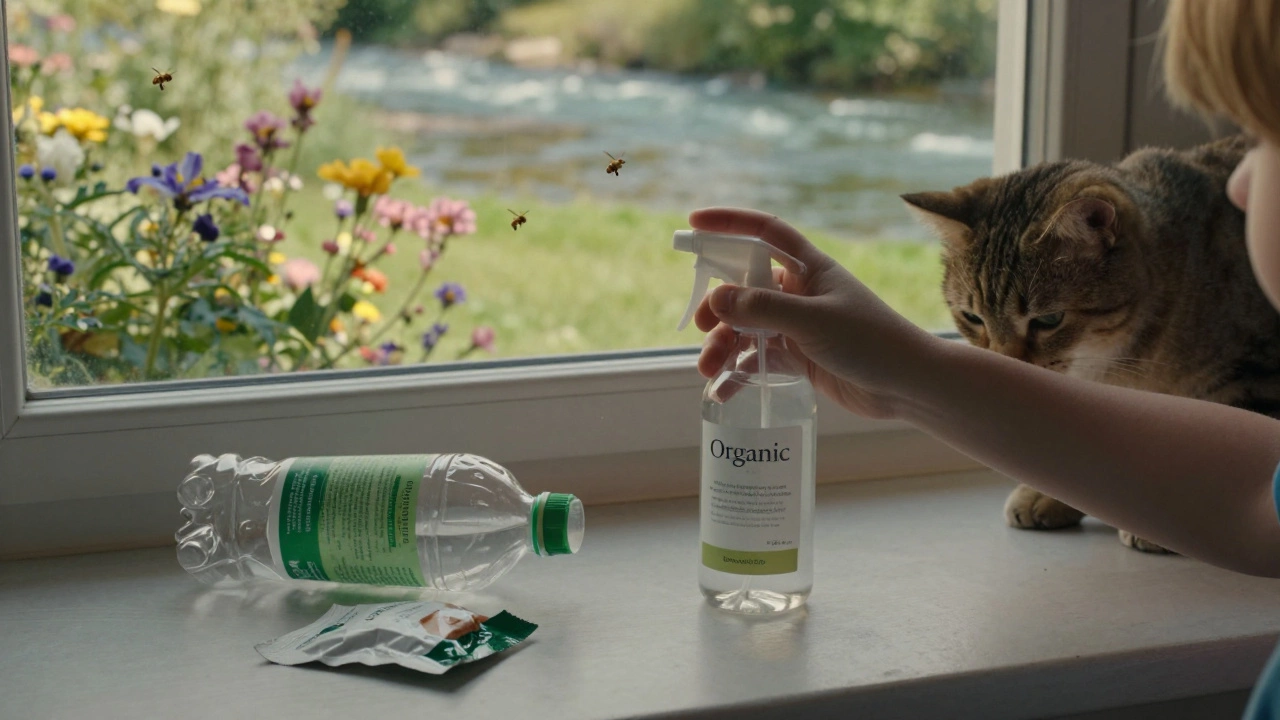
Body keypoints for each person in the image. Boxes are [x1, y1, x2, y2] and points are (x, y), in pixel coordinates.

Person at [687, 0, 1280, 715]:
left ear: (1105, 232)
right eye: (973, 322)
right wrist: (906, 377)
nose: (1237, 181)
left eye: (1265, 137)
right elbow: (1257, 492)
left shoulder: (1204, 260)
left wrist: (913, 379)